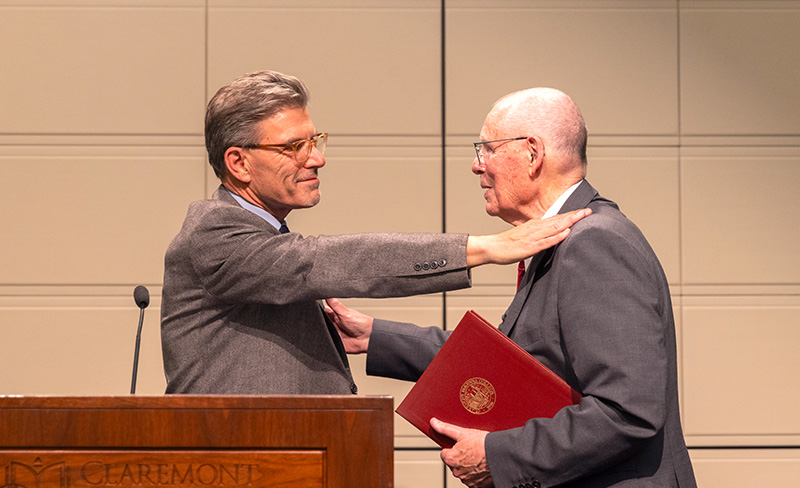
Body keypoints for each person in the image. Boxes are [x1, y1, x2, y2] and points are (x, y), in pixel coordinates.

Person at [326, 88, 709, 488]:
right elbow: (512, 364)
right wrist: (372, 336)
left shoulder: (595, 243)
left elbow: (628, 411)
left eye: (487, 148)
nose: (477, 165)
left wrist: (498, 455)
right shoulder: (565, 240)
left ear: (532, 153)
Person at [160, 71, 589, 395]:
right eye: (294, 147)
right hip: (242, 473)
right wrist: (483, 248)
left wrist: (374, 336)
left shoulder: (264, 237)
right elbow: (322, 262)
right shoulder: (214, 232)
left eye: (315, 141)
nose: (316, 159)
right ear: (238, 163)